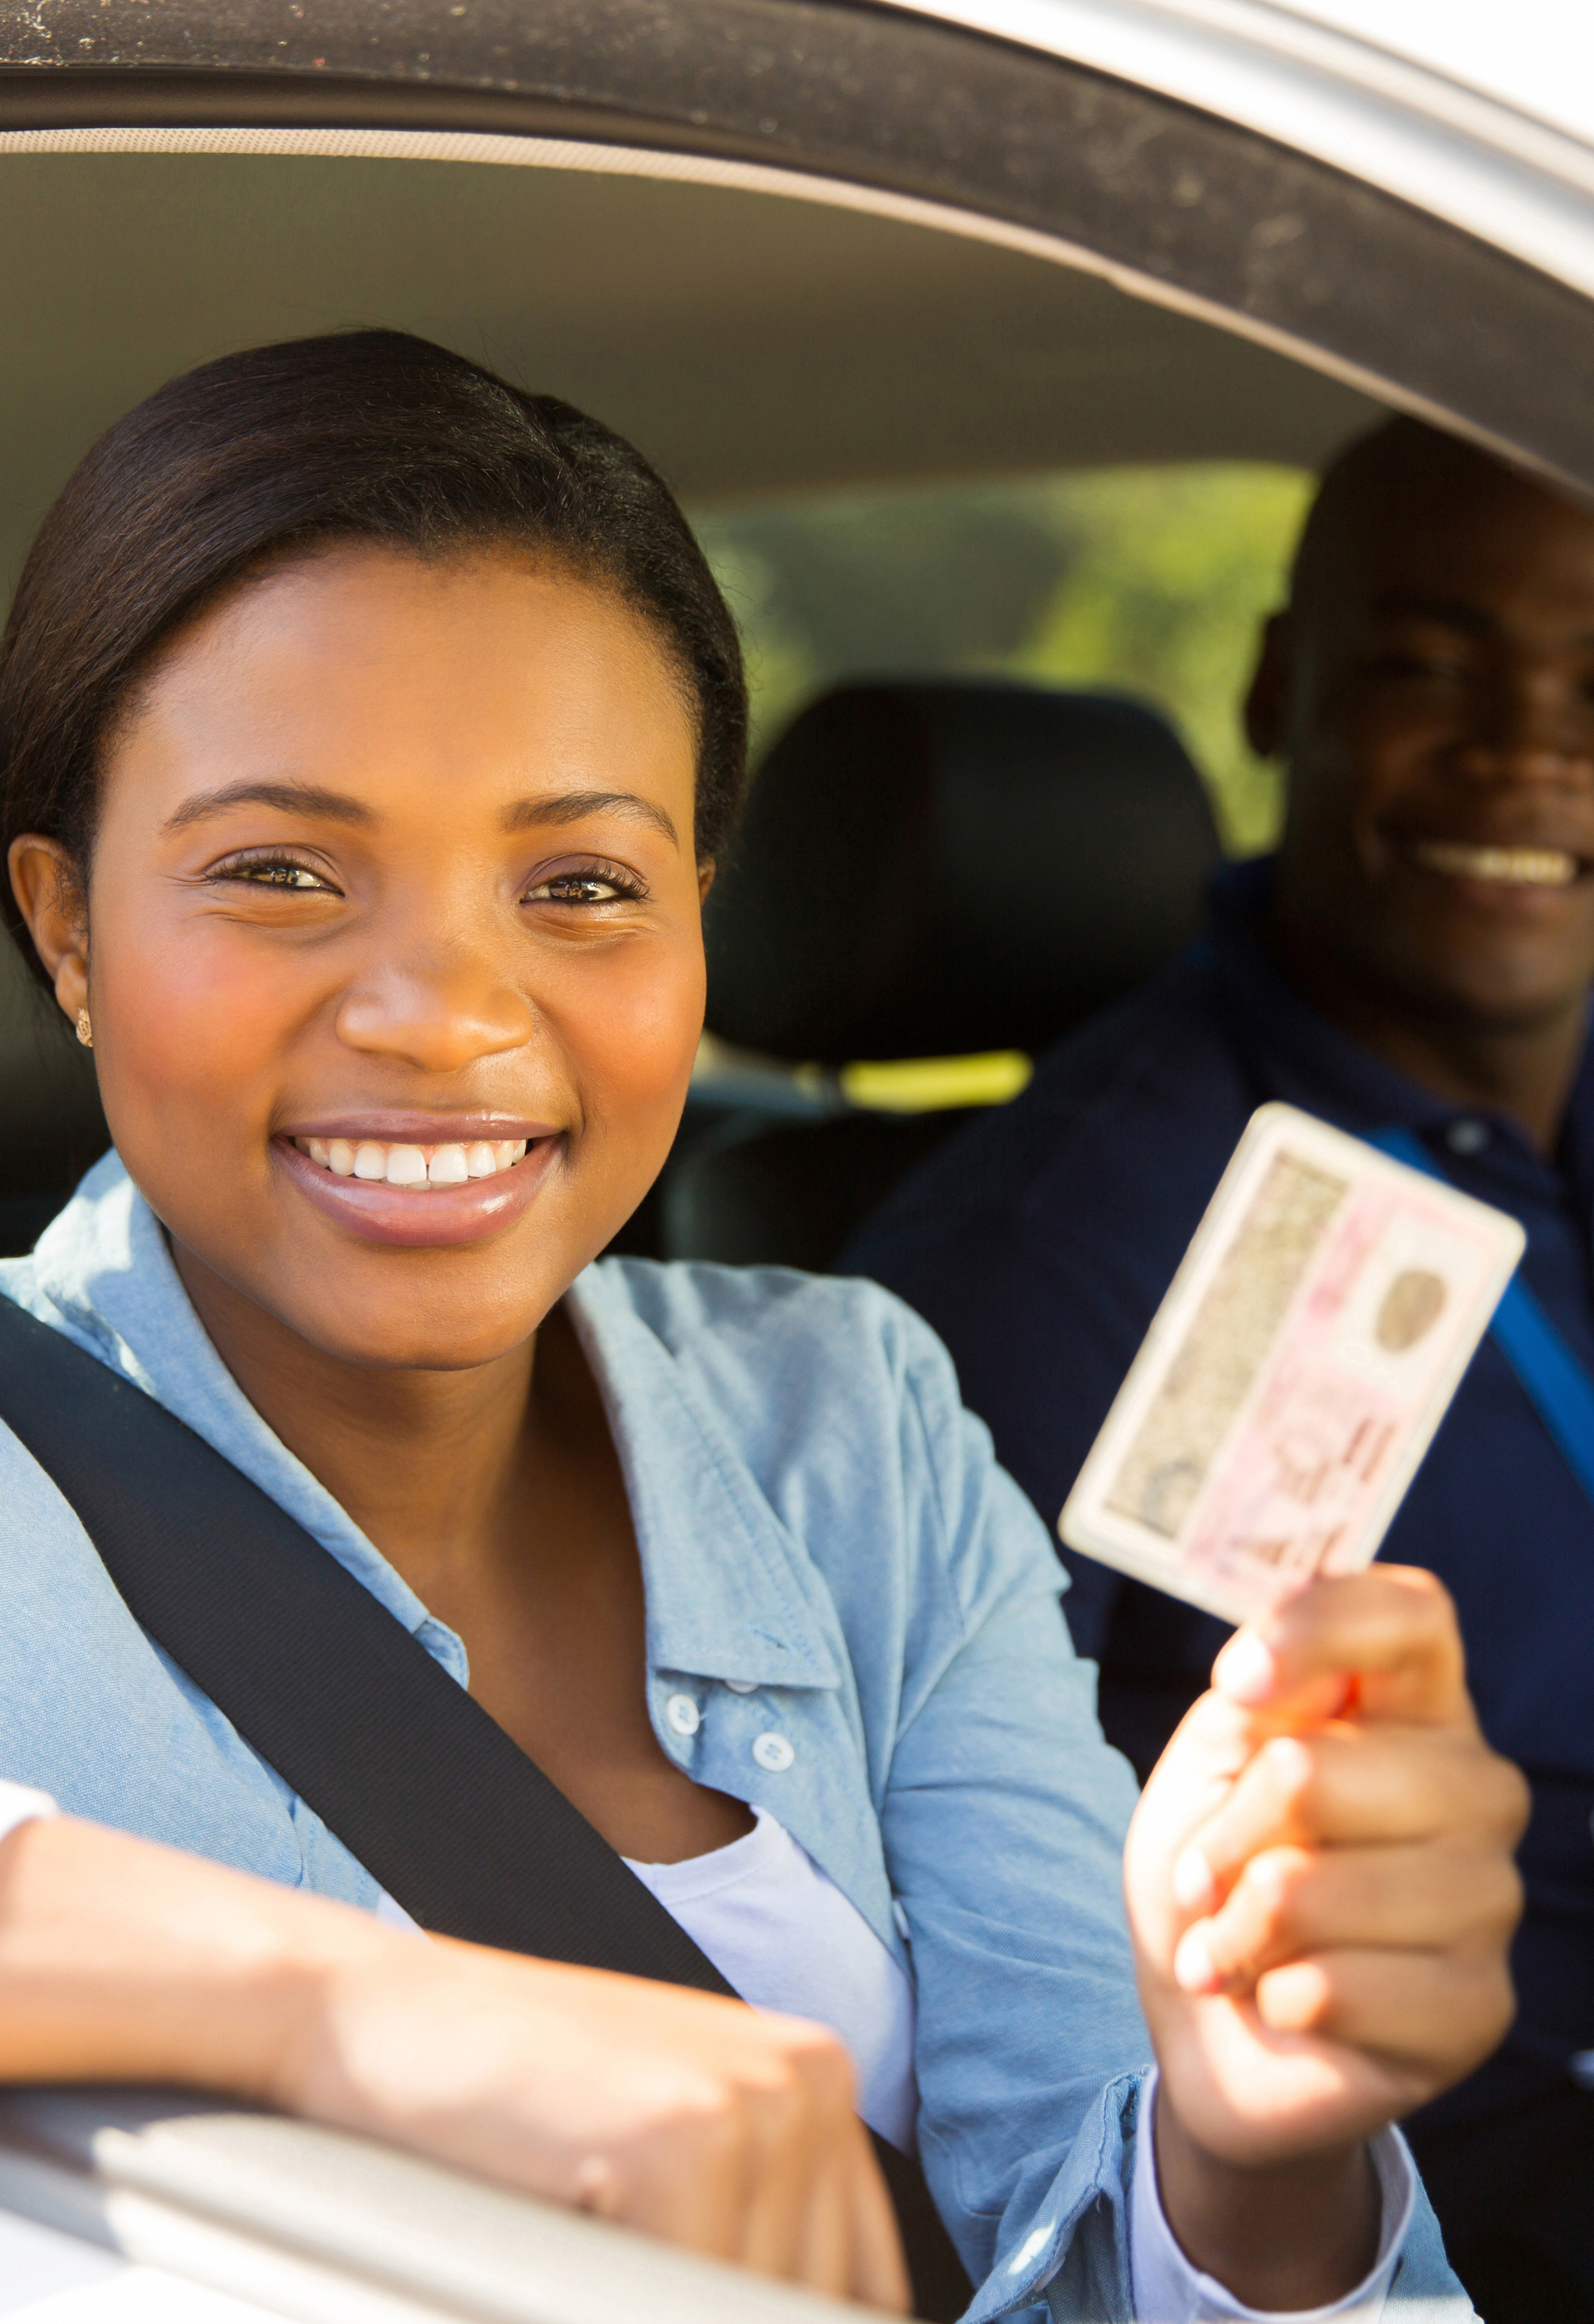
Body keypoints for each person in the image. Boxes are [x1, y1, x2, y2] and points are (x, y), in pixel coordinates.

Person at [0, 338, 1523, 2322]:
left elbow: (1085, 2198)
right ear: (68, 933)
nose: (444, 1013)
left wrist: (1249, 2156)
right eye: (281, 871)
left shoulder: (845, 1415)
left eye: (580, 881)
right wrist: (350, 2014)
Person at [845, 416, 1594, 2319]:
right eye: (1429, 667)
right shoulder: (1051, 1256)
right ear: (1282, 689)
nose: (1526, 743)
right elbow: (978, 1979)